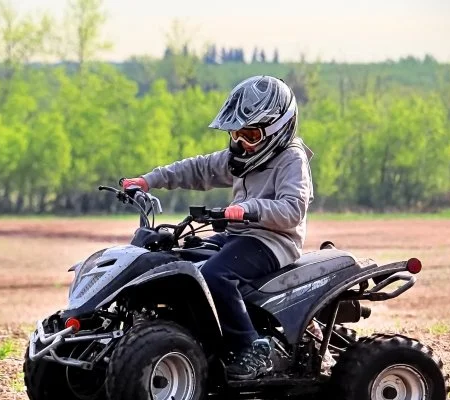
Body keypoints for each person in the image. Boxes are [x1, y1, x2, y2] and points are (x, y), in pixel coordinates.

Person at [121, 75, 314, 380]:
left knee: (215, 275)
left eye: (249, 135)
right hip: (237, 235)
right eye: (236, 134)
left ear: (277, 130)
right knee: (180, 263)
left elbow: (292, 210)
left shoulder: (292, 158)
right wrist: (148, 180)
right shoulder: (242, 158)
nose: (240, 142)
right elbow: (197, 168)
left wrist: (248, 209)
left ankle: (253, 349)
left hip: (274, 242)